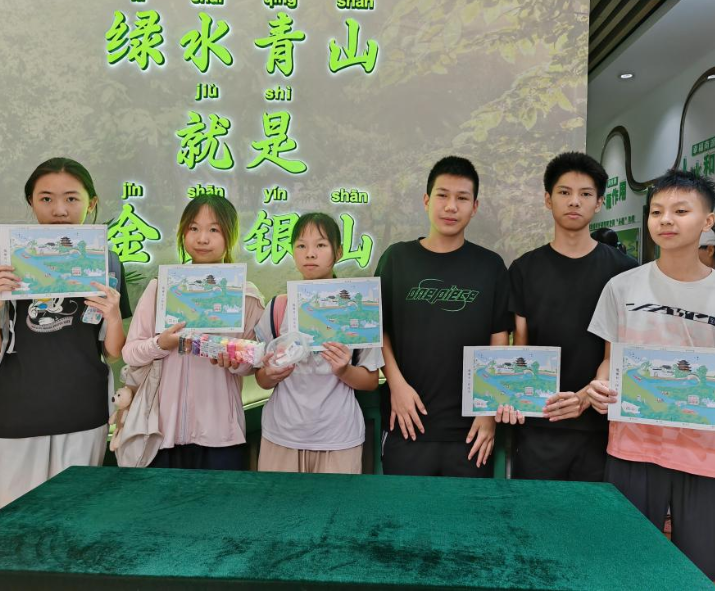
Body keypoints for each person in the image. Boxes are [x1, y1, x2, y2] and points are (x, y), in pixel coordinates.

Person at [586, 169, 715, 581]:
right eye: (656, 211)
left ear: (708, 221)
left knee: (699, 569)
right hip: (633, 446)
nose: (665, 220)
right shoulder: (621, 288)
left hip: (705, 451)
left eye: (680, 211)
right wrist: (601, 385)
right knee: (627, 561)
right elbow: (610, 361)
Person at [0, 157, 131, 521]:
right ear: (31, 202)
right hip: (12, 415)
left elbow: (113, 352)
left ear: (91, 203)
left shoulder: (107, 263)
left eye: (71, 198)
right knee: (4, 523)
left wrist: (112, 314)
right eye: (46, 198)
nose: (59, 210)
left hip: (82, 411)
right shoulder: (4, 263)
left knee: (71, 523)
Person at [496, 152, 636, 481]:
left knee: (595, 512)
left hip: (602, 426)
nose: (574, 201)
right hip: (540, 424)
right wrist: (513, 395)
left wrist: (587, 397)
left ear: (599, 202)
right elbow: (522, 346)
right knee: (537, 511)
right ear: (548, 199)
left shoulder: (624, 271)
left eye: (585, 194)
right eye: (564, 192)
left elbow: (625, 351)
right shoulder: (524, 269)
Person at [376, 156, 512, 477]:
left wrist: (488, 411)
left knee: (468, 511)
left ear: (474, 207)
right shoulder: (397, 259)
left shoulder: (490, 266)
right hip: (406, 421)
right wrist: (396, 385)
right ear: (427, 200)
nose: (451, 206)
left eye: (462, 198)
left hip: (471, 432)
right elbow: (378, 331)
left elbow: (498, 341)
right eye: (442, 195)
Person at [122, 194, 264, 470]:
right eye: (193, 228)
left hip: (221, 432)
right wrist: (161, 343)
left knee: (219, 499)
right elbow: (130, 352)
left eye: (214, 230)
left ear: (230, 236)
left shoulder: (246, 295)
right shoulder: (160, 288)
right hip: (162, 432)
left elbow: (253, 362)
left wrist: (235, 362)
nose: (202, 238)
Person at [254, 213, 382, 474]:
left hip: (339, 437)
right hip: (281, 434)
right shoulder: (278, 307)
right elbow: (262, 379)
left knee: (336, 503)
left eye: (321, 245)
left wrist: (344, 370)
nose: (310, 254)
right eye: (301, 245)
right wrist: (270, 373)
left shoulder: (358, 310)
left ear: (338, 251)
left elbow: (370, 381)